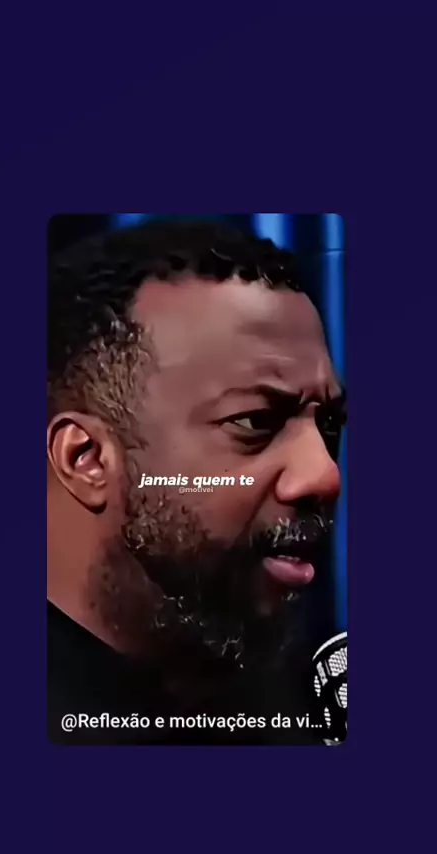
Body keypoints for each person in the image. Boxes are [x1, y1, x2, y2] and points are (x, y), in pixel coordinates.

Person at [47, 219, 345, 744]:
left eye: (329, 424)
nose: (324, 475)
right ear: (86, 459)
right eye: (255, 421)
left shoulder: (306, 708)